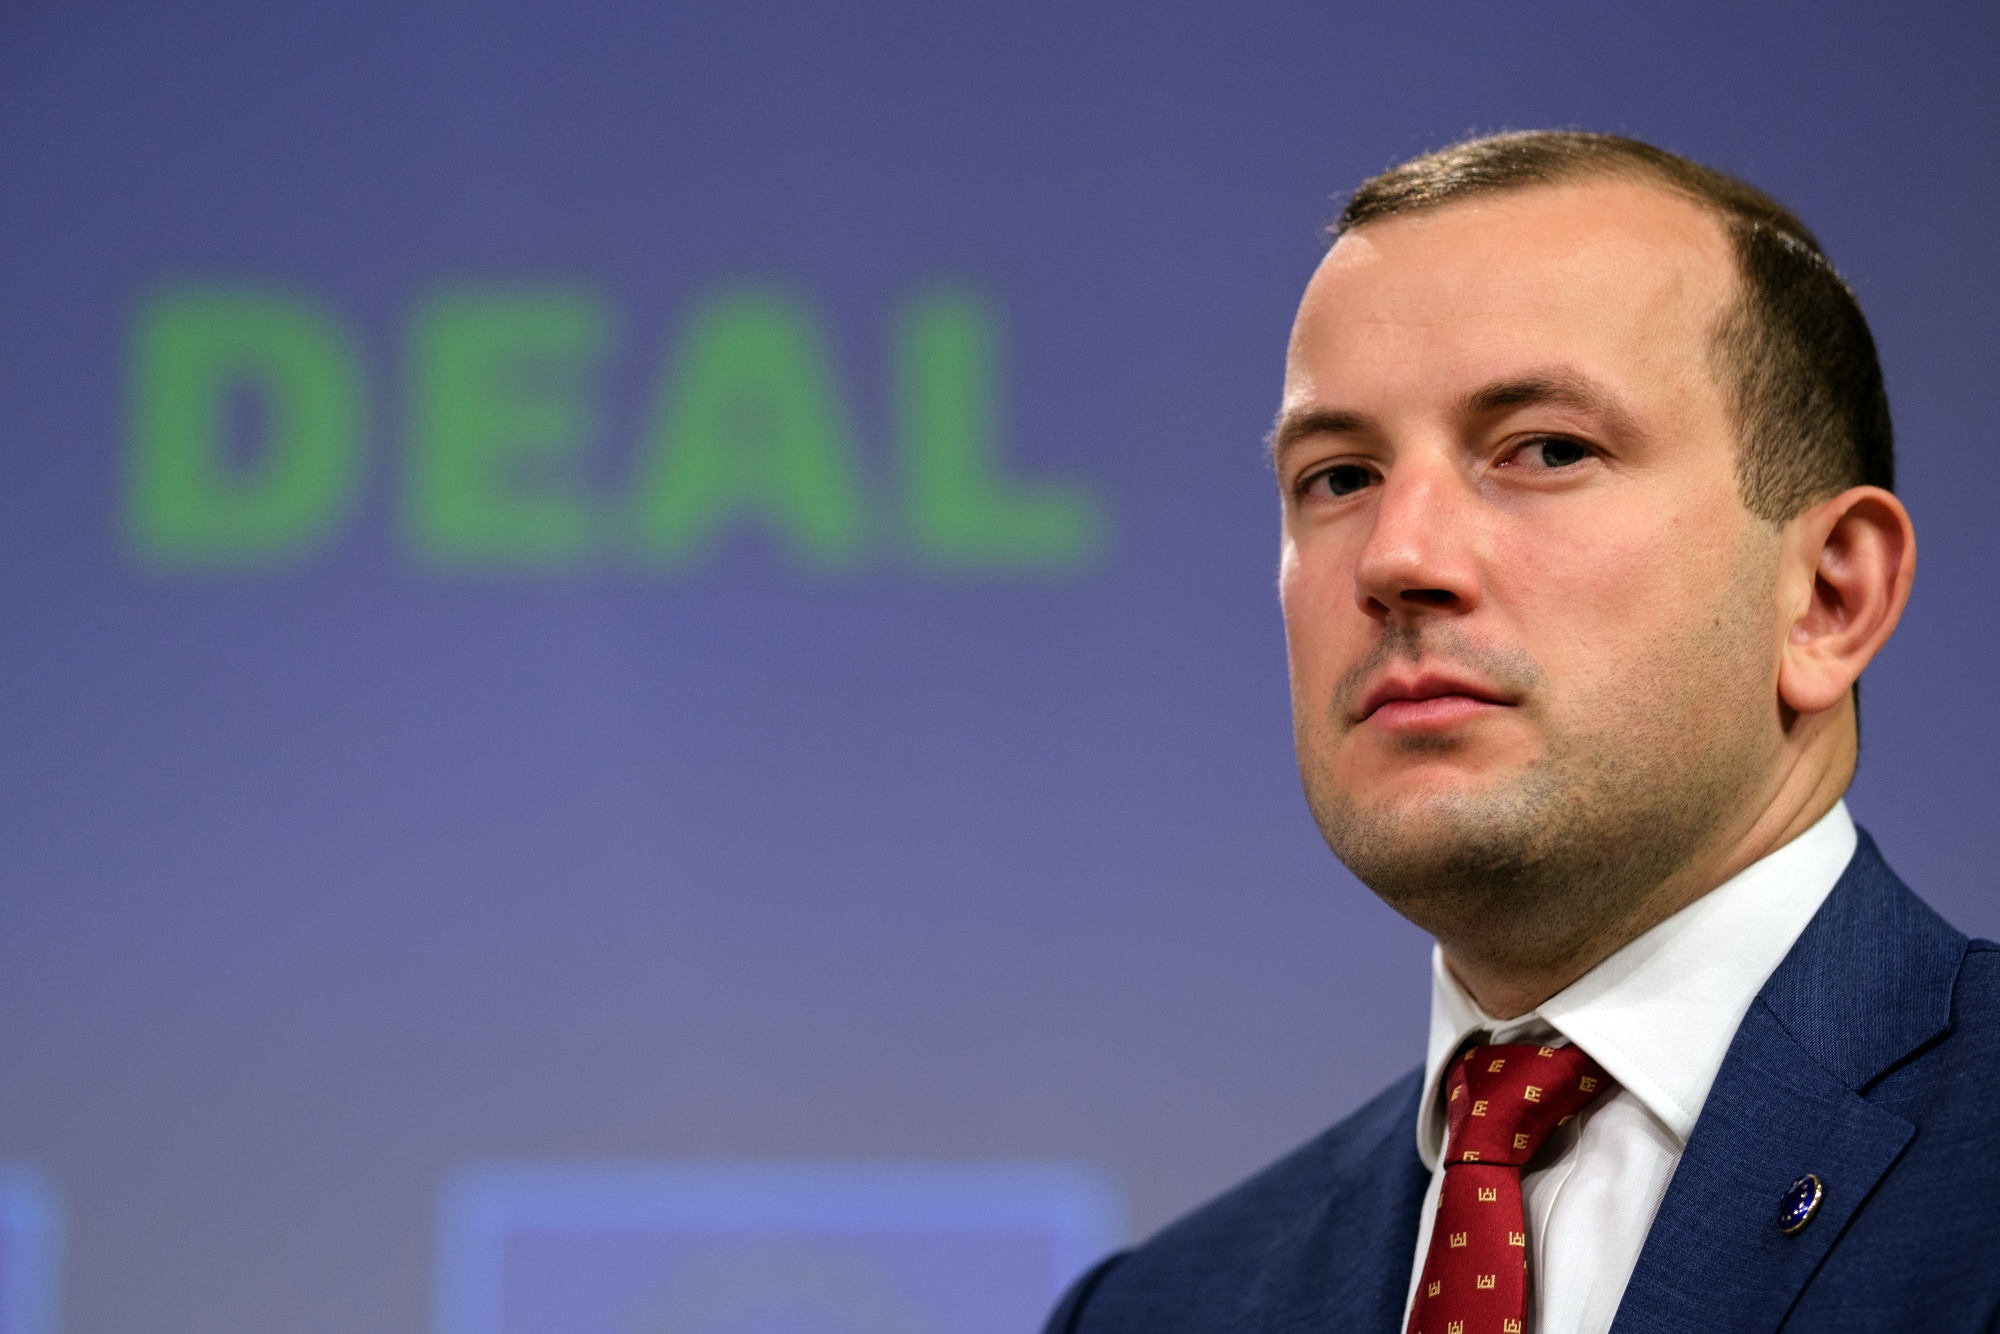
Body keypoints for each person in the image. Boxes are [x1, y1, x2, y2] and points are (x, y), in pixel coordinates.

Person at [1042, 131, 2000, 1334]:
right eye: (1338, 476)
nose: (1396, 556)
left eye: (1545, 449)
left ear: (1825, 596)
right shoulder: (1158, 1310)